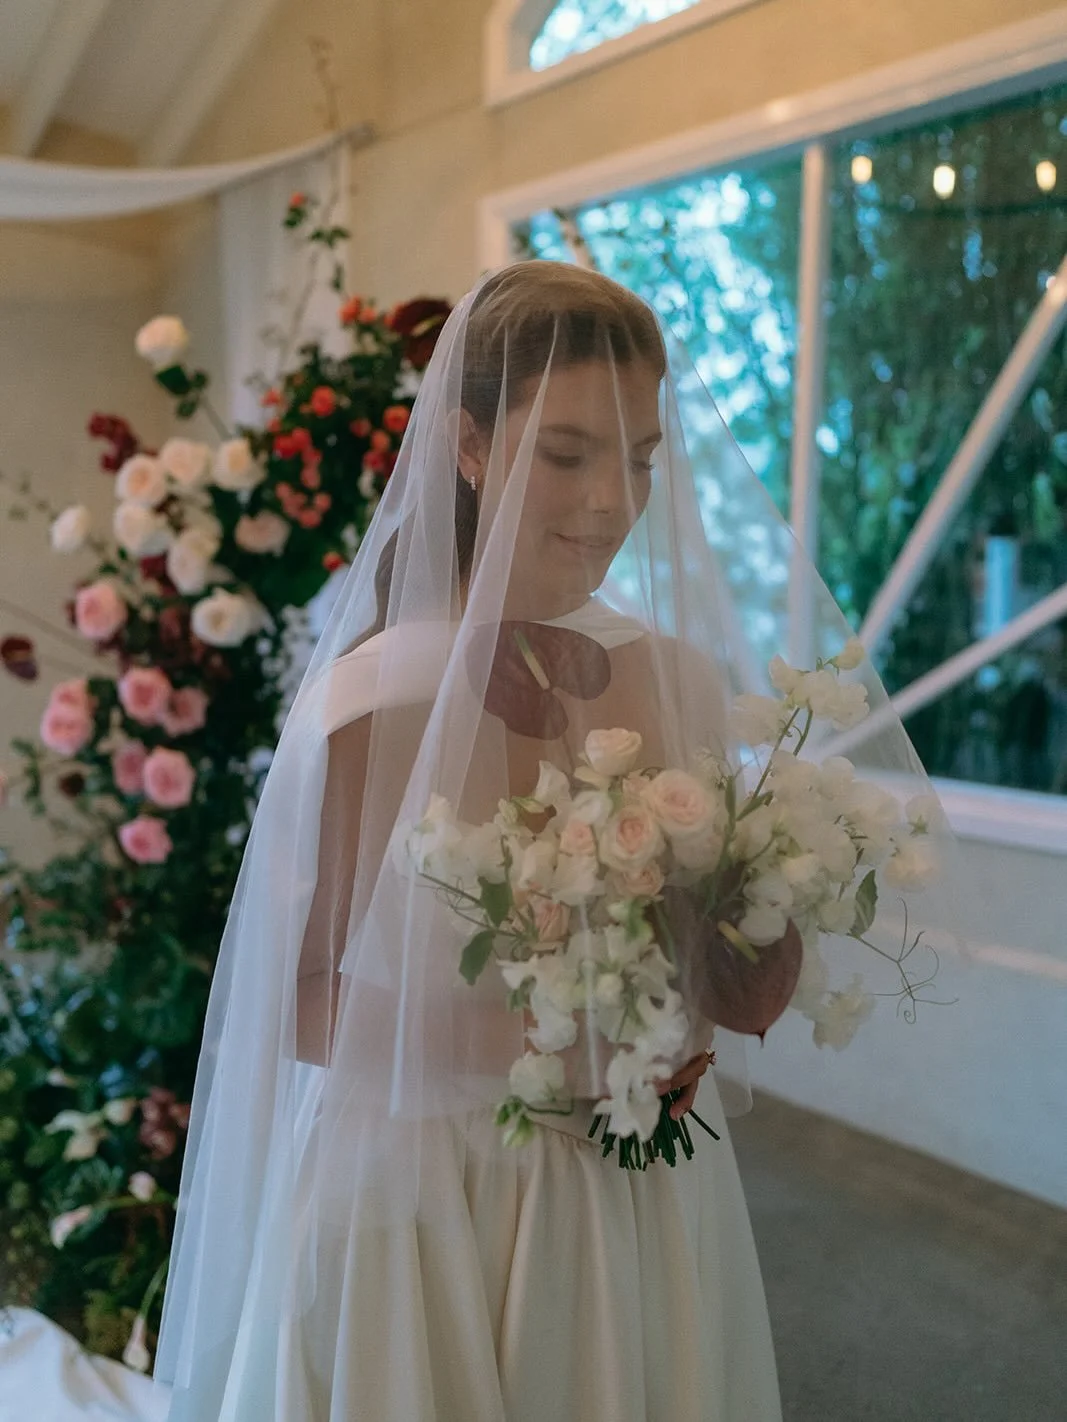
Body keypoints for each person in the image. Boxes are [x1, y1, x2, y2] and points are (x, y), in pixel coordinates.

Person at [158, 260, 944, 1419]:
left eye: (639, 459)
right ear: (470, 446)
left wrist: (741, 951)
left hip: (634, 1177)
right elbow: (293, 998)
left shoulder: (676, 680)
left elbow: (708, 948)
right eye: (567, 453)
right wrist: (535, 1041)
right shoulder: (369, 705)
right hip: (426, 1191)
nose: (611, 501)